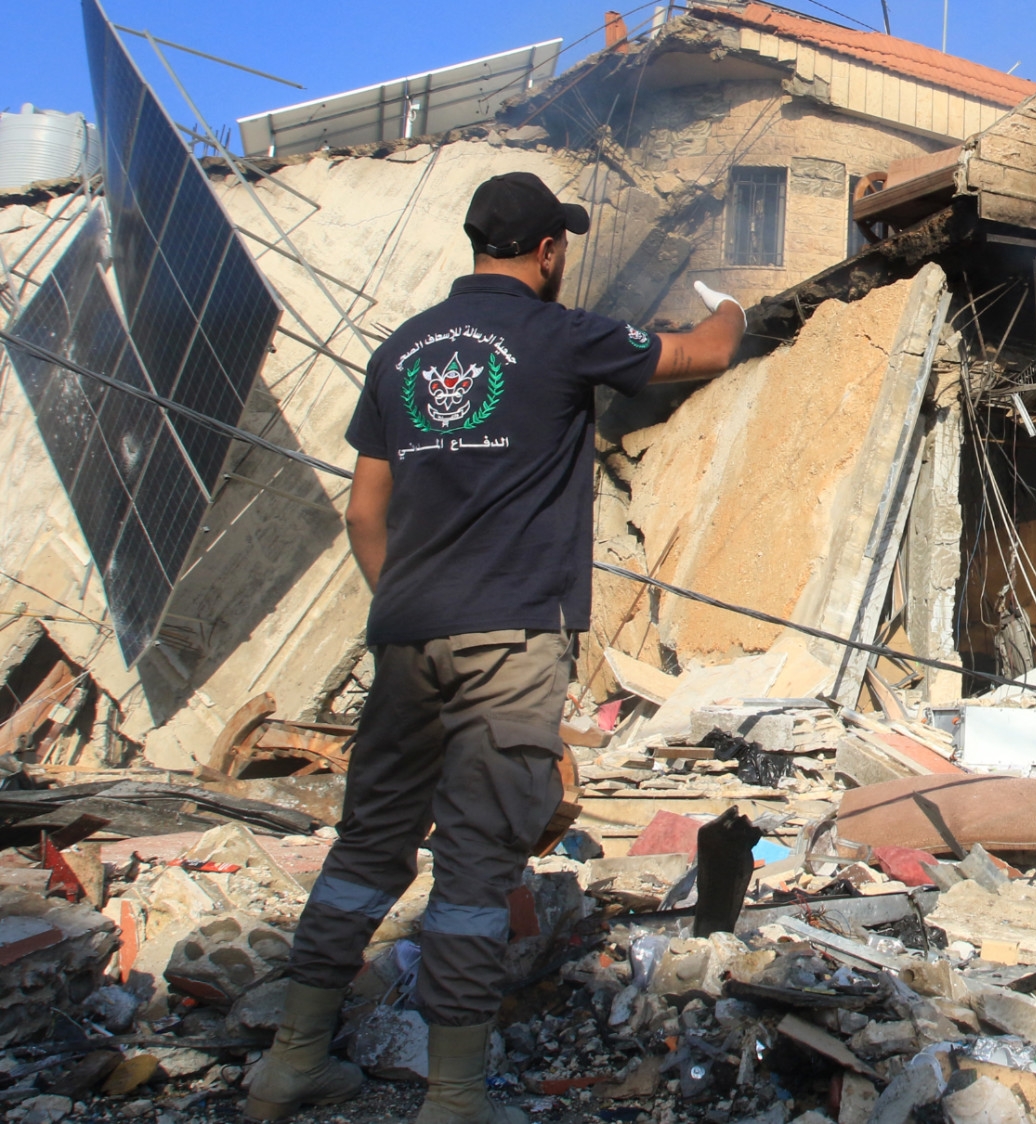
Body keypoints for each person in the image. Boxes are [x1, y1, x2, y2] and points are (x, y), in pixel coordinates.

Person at [243, 171, 746, 1124]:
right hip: (507, 640)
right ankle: (456, 1098)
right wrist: (733, 306)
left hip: (405, 635)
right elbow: (702, 353)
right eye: (564, 248)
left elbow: (364, 510)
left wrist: (409, 603)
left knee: (366, 848)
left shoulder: (398, 351)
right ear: (549, 251)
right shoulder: (562, 334)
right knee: (476, 867)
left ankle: (291, 1062)